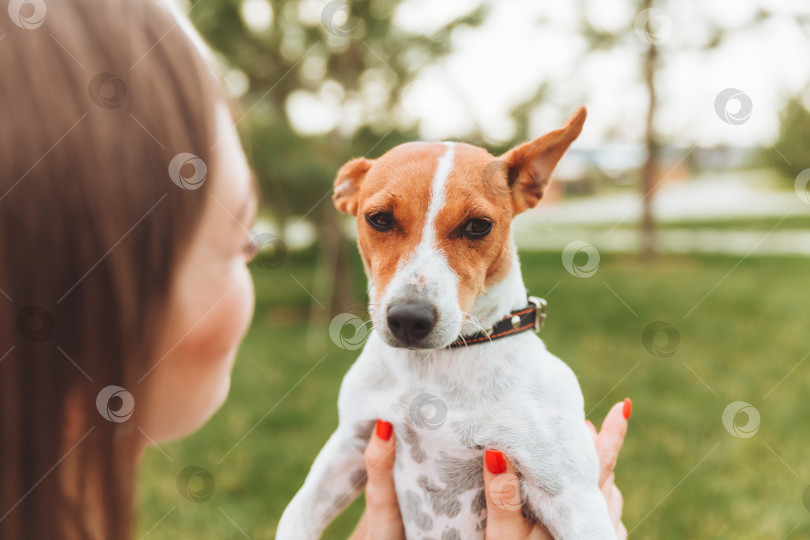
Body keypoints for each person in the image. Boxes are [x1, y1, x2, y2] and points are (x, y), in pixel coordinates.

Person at [0, 0, 629, 538]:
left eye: (472, 229)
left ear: (527, 189)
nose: (414, 294)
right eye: (384, 222)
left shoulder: (534, 392)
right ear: (350, 196)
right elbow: (350, 448)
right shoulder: (374, 373)